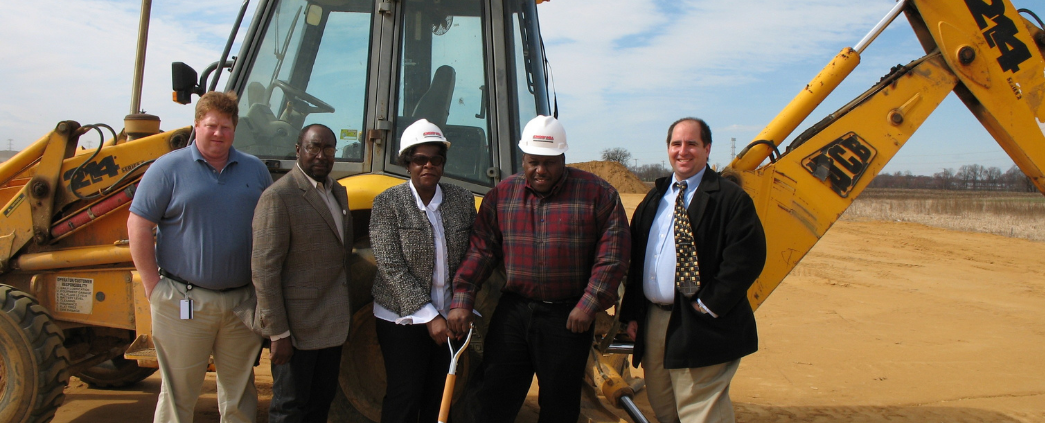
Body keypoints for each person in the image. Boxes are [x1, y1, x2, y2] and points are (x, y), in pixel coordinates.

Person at [447, 115, 632, 423]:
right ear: (524, 159)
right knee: (492, 395)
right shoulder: (502, 196)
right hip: (515, 311)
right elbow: (481, 251)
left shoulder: (598, 195)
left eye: (549, 162)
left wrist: (589, 304)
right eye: (534, 162)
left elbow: (613, 256)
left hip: (569, 316)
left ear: (563, 158)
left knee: (560, 405)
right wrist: (462, 299)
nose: (541, 170)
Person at [128, 91, 273, 423]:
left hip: (241, 304)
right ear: (196, 125)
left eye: (226, 126)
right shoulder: (168, 168)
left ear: (235, 129)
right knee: (178, 394)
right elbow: (138, 225)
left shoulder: (255, 170)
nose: (218, 133)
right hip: (183, 301)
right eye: (211, 125)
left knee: (239, 394)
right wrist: (153, 287)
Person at [620, 117, 767, 423]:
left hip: (701, 321)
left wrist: (709, 304)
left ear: (707, 148)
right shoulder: (655, 198)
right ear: (668, 148)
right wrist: (632, 313)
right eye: (676, 144)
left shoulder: (730, 199)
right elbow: (637, 259)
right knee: (663, 404)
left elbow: (746, 257)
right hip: (655, 319)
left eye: (691, 144)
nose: (682, 151)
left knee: (700, 410)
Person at [369, 119, 477, 423]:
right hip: (401, 318)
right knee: (405, 396)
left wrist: (460, 304)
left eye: (436, 159)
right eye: (420, 159)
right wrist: (429, 316)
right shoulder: (388, 203)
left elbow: (473, 255)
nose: (428, 165)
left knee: (440, 397)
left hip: (451, 317)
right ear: (407, 164)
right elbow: (390, 265)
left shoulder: (462, 200)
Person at [251, 124, 353, 422]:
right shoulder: (279, 196)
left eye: (328, 149)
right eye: (313, 147)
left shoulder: (337, 192)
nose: (321, 155)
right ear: (298, 150)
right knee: (289, 408)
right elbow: (265, 271)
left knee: (320, 405)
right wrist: (278, 333)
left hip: (330, 326)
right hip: (296, 331)